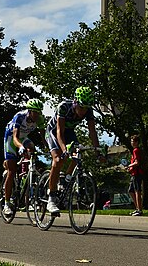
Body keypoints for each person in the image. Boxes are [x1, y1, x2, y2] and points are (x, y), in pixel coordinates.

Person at [45, 86, 104, 215]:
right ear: (75, 102)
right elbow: (60, 132)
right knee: (58, 160)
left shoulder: (88, 111)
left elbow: (92, 132)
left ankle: (66, 178)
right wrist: (64, 150)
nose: (83, 111)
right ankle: (51, 198)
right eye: (81, 107)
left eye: (86, 108)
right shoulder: (64, 107)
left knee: (78, 153)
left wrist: (98, 151)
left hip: (69, 132)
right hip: (54, 132)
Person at [2, 98, 46, 216]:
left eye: (39, 112)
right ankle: (6, 203)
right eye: (35, 112)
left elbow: (44, 137)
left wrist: (48, 149)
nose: (37, 115)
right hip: (11, 138)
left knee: (32, 147)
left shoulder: (40, 120)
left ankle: (28, 175)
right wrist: (20, 147)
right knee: (11, 170)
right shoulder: (20, 117)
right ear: (29, 111)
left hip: (23, 138)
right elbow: (15, 138)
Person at [127, 134, 144, 216]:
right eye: (131, 141)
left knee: (137, 191)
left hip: (137, 173)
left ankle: (139, 209)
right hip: (134, 173)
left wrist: (129, 166)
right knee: (131, 191)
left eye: (133, 141)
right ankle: (137, 208)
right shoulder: (135, 150)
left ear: (137, 142)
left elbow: (137, 163)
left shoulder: (136, 150)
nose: (132, 143)